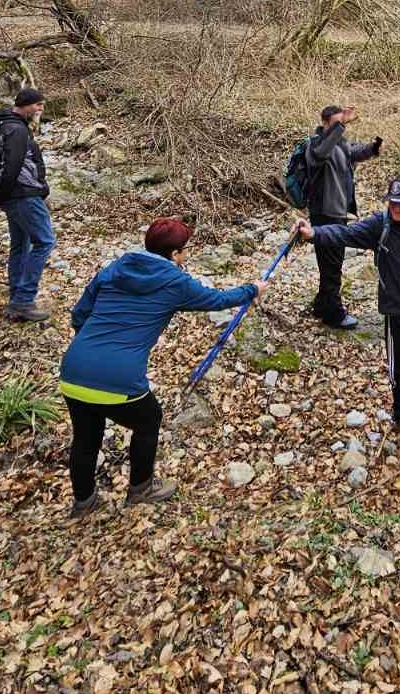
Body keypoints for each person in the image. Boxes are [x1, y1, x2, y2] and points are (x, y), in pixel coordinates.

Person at [59, 218, 265, 517]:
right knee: (149, 420)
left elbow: (80, 315)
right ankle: (141, 489)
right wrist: (252, 288)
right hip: (118, 376)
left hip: (74, 368)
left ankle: (84, 502)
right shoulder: (175, 282)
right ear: (173, 254)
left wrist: (93, 348)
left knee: (86, 436)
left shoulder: (114, 268)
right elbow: (216, 299)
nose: (186, 256)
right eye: (185, 251)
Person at [295, 176, 400, 433]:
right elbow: (345, 233)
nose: (395, 208)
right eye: (392, 202)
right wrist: (314, 233)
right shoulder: (379, 226)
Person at [306, 104, 382, 329]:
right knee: (331, 265)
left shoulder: (339, 143)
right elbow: (319, 155)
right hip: (324, 213)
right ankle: (333, 314)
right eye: (338, 124)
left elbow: (354, 152)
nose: (343, 127)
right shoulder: (317, 144)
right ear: (326, 123)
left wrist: (374, 147)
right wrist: (340, 125)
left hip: (338, 212)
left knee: (331, 262)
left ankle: (322, 304)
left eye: (343, 124)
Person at [0, 86, 56, 323]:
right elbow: (13, 167)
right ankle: (24, 301)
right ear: (26, 104)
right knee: (45, 241)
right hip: (23, 195)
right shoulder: (16, 129)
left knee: (21, 244)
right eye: (38, 105)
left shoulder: (4, 125)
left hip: (13, 196)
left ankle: (17, 298)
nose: (40, 109)